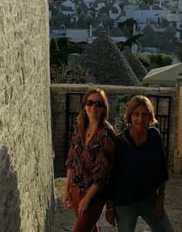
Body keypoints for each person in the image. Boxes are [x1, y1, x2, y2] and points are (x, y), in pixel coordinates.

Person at [105, 95, 174, 232]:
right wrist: (110, 207)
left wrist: (161, 197)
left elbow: (161, 167)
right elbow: (110, 177)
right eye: (136, 114)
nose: (140, 119)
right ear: (130, 116)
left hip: (149, 199)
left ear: (150, 117)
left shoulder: (154, 136)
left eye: (144, 115)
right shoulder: (120, 143)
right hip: (124, 203)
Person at [63, 88, 115, 232]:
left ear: (104, 108)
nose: (93, 107)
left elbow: (102, 173)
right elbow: (71, 160)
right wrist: (67, 188)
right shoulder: (80, 128)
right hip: (75, 189)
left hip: (94, 196)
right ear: (84, 106)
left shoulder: (107, 134)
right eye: (90, 103)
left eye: (98, 104)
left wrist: (87, 198)